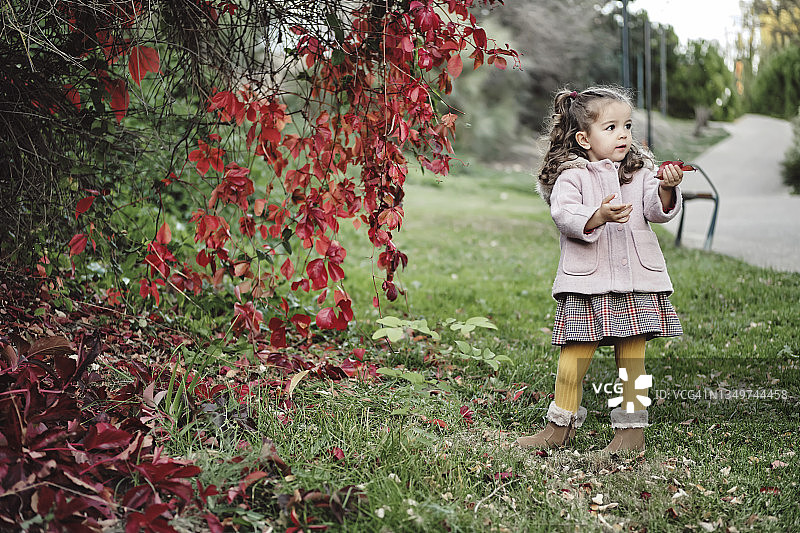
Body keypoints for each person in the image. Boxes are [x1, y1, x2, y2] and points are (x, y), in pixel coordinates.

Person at [517, 86, 684, 453]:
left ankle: (631, 434)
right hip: (588, 285)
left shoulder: (640, 173)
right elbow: (564, 214)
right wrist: (598, 216)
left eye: (626, 125)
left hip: (636, 285)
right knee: (572, 361)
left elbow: (657, 210)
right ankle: (560, 426)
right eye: (611, 127)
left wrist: (668, 189)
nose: (623, 134)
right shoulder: (571, 177)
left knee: (632, 363)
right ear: (583, 138)